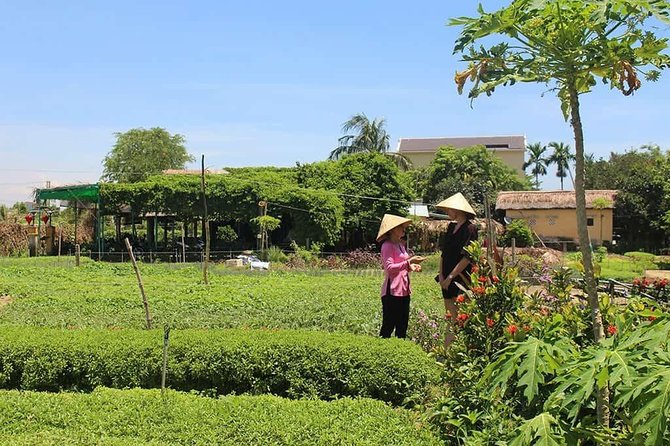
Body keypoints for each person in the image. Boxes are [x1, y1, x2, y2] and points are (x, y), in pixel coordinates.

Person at [435, 193, 478, 347]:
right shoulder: (451, 227)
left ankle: (462, 350)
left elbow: (467, 257)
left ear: (458, 210)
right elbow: (444, 253)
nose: (447, 212)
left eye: (450, 209)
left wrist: (451, 277)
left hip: (460, 278)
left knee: (461, 316)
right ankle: (448, 352)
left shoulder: (470, 229)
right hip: (446, 277)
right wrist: (441, 276)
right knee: (450, 316)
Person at [377, 214, 425, 338]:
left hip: (404, 289)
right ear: (393, 229)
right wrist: (409, 262)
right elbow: (390, 268)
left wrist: (412, 267)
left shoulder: (400, 244)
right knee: (388, 326)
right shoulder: (387, 245)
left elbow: (402, 266)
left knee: (402, 326)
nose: (404, 229)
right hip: (391, 291)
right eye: (401, 227)